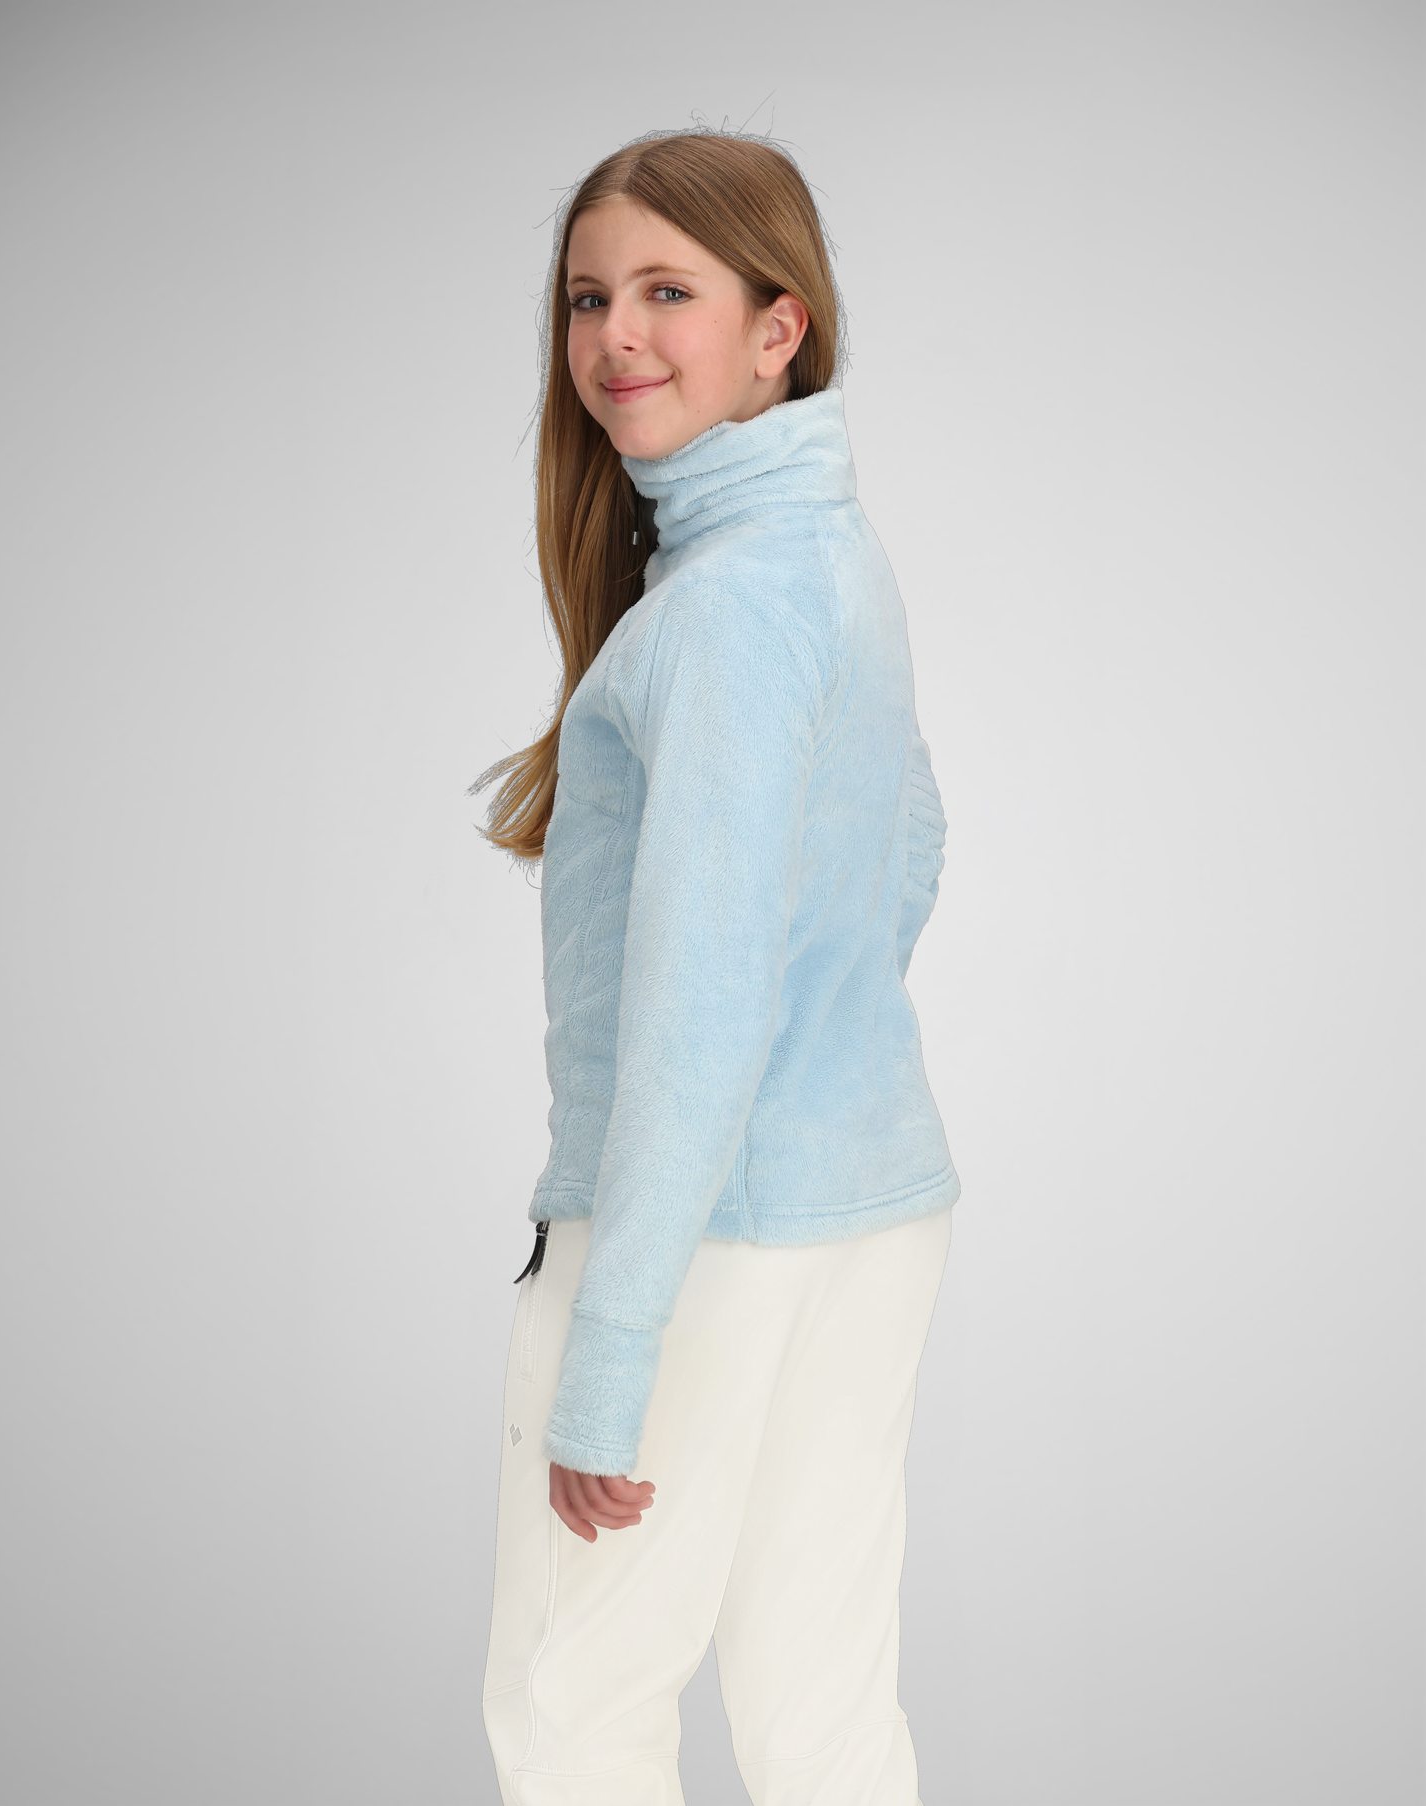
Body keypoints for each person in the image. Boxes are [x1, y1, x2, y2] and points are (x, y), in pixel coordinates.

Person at [472, 127, 963, 1806]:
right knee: (822, 1708)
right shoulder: (830, 560)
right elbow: (907, 844)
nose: (616, 335)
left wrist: (614, 1343)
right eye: (586, 297)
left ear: (780, 327)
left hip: (693, 1237)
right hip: (867, 1206)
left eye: (667, 292)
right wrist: (823, 1034)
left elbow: (698, 1004)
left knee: (577, 1703)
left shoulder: (722, 609)